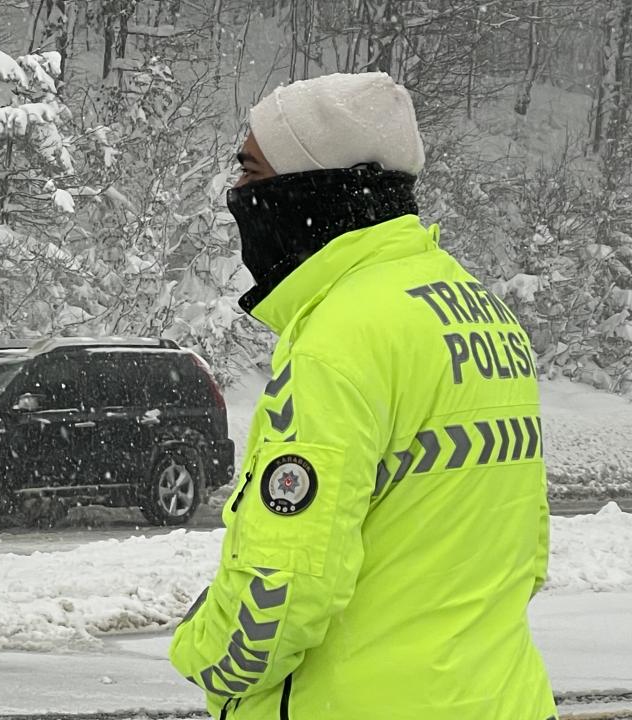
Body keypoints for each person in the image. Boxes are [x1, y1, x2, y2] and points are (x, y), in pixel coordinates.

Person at [168, 72, 556, 720]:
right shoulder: (482, 313)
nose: (237, 194)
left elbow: (283, 589)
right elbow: (526, 552)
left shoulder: (339, 340)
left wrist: (203, 654)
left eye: (251, 172)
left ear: (310, 187)